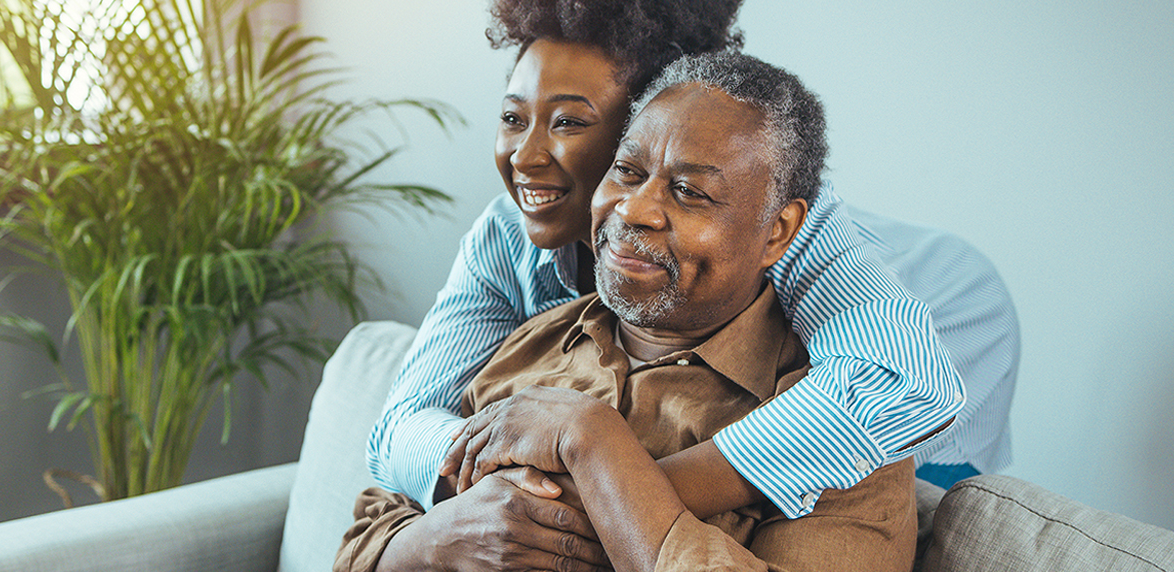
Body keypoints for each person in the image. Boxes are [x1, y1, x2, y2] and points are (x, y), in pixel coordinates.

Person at [367, 0, 1017, 532]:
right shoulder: (507, 234)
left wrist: (607, 496)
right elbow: (399, 428)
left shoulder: (809, 232)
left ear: (656, 119)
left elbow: (905, 382)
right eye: (513, 117)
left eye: (568, 122)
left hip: (950, 340)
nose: (525, 157)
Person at [338, 50, 917, 572]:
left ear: (780, 231)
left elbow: (908, 381)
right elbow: (368, 525)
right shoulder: (532, 338)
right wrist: (438, 538)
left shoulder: (844, 437)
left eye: (689, 192)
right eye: (628, 172)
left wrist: (591, 442)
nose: (635, 210)